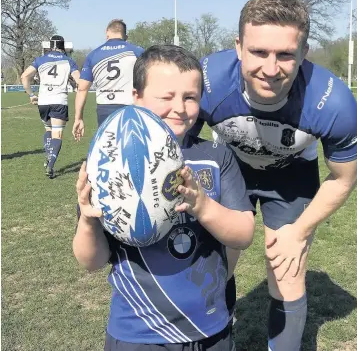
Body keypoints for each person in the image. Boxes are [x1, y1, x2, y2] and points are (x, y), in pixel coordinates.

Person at [190, 0, 357, 351]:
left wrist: (299, 232)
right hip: (230, 167)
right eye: (258, 52)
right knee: (213, 265)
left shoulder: (333, 103)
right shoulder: (206, 82)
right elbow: (178, 146)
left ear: (304, 52)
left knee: (287, 270)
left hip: (290, 176)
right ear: (238, 46)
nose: (271, 69)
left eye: (285, 54)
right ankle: (214, 339)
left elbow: (345, 177)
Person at [73, 44, 255, 351]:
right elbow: (91, 261)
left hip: (210, 328)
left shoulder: (215, 156)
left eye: (190, 97)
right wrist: (89, 221)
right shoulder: (110, 161)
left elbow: (243, 234)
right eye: (166, 97)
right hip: (137, 334)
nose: (180, 108)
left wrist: (203, 206)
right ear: (136, 97)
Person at [72, 19, 144, 140]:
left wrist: (78, 118)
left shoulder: (93, 54)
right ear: (126, 36)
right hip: (131, 106)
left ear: (107, 33)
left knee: (109, 148)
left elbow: (82, 89)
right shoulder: (137, 52)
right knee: (132, 146)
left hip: (104, 108)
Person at [21, 35, 80, 178]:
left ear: (50, 46)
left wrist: (31, 95)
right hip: (59, 101)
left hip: (43, 101)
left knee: (48, 128)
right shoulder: (68, 61)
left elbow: (24, 76)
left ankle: (48, 155)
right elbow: (79, 80)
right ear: (63, 47)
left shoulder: (40, 60)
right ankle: (51, 165)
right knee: (57, 134)